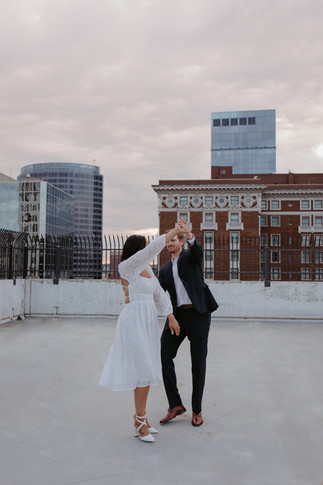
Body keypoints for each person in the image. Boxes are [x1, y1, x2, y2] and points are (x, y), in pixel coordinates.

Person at [99, 223, 185, 443]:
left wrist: (170, 315)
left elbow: (159, 294)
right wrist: (173, 232)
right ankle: (139, 421)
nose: (147, 252)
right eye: (144, 248)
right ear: (137, 250)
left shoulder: (147, 269)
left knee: (146, 371)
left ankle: (142, 418)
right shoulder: (128, 266)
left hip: (147, 322)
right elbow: (152, 250)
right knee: (143, 371)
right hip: (133, 321)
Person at [159, 221, 218, 427]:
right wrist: (169, 316)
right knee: (165, 355)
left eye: (173, 240)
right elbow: (160, 296)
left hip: (199, 315)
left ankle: (197, 409)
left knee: (198, 363)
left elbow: (198, 252)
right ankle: (175, 405)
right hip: (178, 317)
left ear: (181, 242)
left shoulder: (190, 258)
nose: (170, 244)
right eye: (168, 241)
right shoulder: (165, 269)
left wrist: (189, 233)